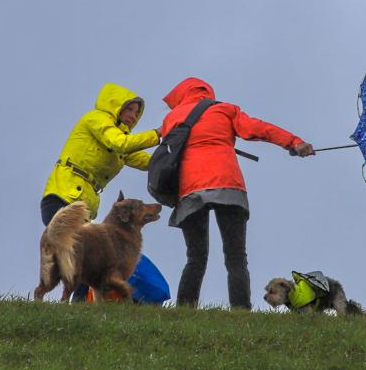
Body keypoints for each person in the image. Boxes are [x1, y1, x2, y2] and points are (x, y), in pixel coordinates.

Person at [159, 77, 315, 310]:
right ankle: (241, 311)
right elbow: (259, 128)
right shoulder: (224, 109)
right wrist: (294, 142)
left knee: (195, 257)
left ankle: (184, 310)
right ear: (207, 93)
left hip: (190, 189)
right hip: (227, 185)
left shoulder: (172, 118)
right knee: (236, 257)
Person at [41, 82, 160, 300]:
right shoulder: (97, 120)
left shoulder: (120, 139)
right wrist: (158, 134)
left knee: (87, 257)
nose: (133, 116)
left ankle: (75, 308)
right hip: (63, 194)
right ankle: (49, 296)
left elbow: (147, 161)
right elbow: (120, 143)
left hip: (82, 201)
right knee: (74, 253)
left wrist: (174, 153)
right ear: (115, 106)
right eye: (129, 109)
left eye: (136, 112)